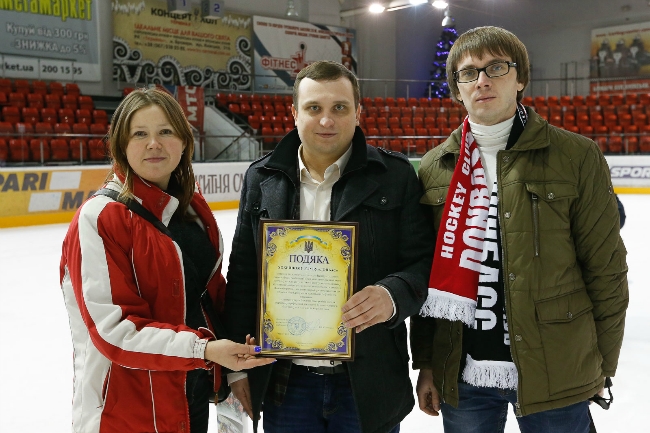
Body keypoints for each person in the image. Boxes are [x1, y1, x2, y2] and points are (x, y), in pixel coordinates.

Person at [411, 26, 629, 433]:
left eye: (496, 67)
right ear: (457, 89)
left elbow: (607, 270)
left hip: (557, 370)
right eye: (468, 73)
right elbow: (427, 281)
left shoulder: (576, 156)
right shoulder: (435, 166)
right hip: (463, 373)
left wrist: (602, 365)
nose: (482, 81)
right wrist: (428, 363)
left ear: (520, 78)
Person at [224, 60, 433, 433]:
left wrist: (392, 294)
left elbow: (422, 265)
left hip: (367, 381)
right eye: (313, 108)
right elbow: (243, 277)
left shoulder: (395, 176)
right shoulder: (261, 178)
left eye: (339, 107)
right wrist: (236, 370)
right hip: (286, 383)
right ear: (294, 114)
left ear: (358, 113)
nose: (326, 120)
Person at [59, 88, 274, 433]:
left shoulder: (192, 209)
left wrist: (234, 363)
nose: (153, 144)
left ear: (184, 142)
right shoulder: (99, 218)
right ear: (120, 145)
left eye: (165, 131)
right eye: (139, 134)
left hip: (189, 397)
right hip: (126, 413)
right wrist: (203, 350)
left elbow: (211, 299)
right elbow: (115, 330)